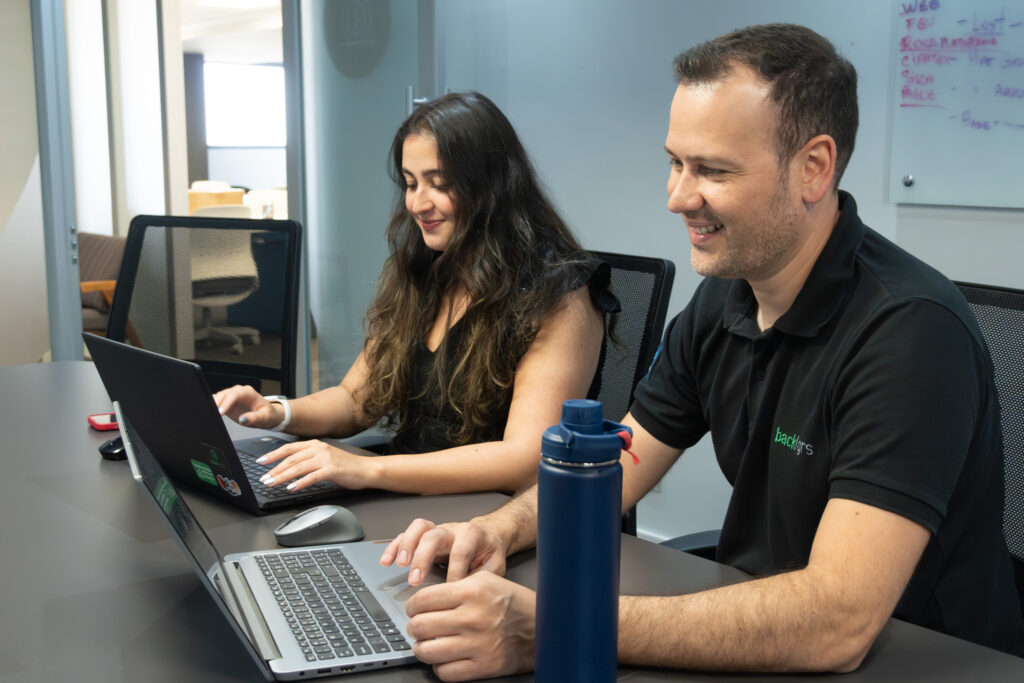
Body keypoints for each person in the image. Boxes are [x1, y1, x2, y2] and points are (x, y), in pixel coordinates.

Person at [379, 23, 1024, 680]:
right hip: (771, 634)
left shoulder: (911, 332)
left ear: (813, 168)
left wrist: (555, 623)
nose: (677, 197)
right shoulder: (726, 299)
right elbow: (620, 462)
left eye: (712, 170)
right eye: (676, 162)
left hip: (923, 659)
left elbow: (839, 619)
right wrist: (497, 529)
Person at [215, 91, 614, 496]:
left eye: (439, 184)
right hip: (406, 495)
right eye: (410, 184)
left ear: (491, 186)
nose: (417, 203)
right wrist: (277, 412)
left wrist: (367, 469)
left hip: (483, 510)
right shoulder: (425, 270)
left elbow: (524, 460)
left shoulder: (559, 295)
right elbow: (356, 400)